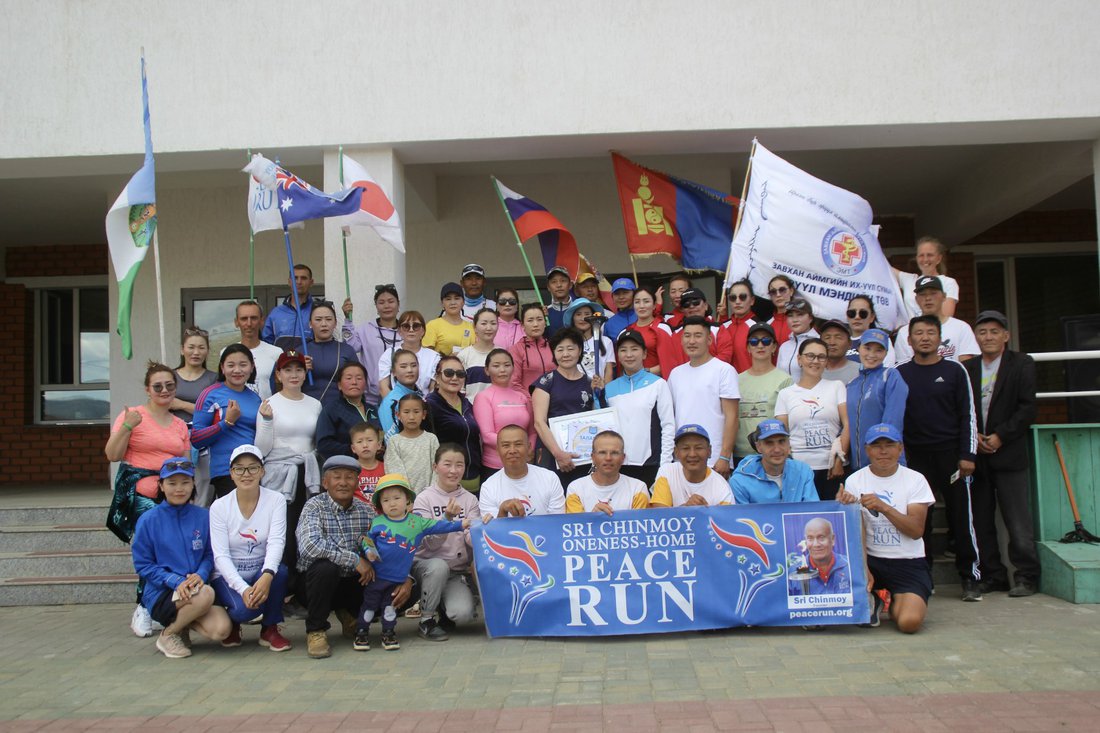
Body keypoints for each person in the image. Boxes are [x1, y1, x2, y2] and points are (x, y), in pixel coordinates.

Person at [896, 315, 982, 601]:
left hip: (951, 456)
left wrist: (968, 454)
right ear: (909, 340)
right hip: (915, 458)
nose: (924, 337)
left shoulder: (955, 370)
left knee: (961, 517)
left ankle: (970, 577)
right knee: (921, 520)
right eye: (918, 333)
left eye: (930, 332)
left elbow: (968, 415)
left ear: (939, 338)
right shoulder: (899, 372)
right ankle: (924, 577)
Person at [106, 361, 193, 638]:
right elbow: (112, 454)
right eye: (158, 386)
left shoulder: (179, 424)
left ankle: (157, 606)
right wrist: (127, 427)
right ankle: (143, 607)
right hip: (142, 497)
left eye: (169, 385)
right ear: (147, 389)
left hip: (171, 496)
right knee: (149, 552)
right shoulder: (133, 415)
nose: (164, 390)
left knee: (168, 552)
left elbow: (185, 464)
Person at [297, 456, 411, 659]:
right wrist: (354, 560)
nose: (343, 482)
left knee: (400, 584)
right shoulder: (313, 506)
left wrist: (406, 577)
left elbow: (387, 547)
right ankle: (316, 630)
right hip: (315, 586)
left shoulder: (366, 510)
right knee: (325, 568)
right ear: (325, 482)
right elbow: (310, 546)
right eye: (337, 477)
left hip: (354, 583)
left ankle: (352, 616)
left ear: (357, 483)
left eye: (349, 477)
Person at [964, 311, 1040, 597]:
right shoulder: (968, 367)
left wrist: (1000, 436)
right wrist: (975, 437)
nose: (988, 337)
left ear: (1006, 336)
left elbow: (1027, 408)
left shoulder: (1021, 363)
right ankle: (993, 575)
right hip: (977, 455)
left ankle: (1027, 576)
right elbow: (962, 408)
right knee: (981, 521)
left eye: (994, 331)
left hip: (1009, 453)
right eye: (983, 332)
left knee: (1017, 521)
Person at [356, 474, 472, 651]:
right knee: (369, 606)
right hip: (376, 577)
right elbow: (366, 540)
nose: (392, 503)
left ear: (408, 501)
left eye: (397, 498)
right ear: (380, 505)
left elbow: (439, 526)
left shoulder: (416, 522)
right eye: (386, 500)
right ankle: (361, 633)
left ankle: (388, 633)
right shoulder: (377, 522)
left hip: (397, 579)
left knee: (390, 607)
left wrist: (461, 524)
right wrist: (368, 551)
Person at [838, 424, 936, 633]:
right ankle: (876, 596)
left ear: (900, 449)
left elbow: (916, 531)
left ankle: (889, 599)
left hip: (908, 561)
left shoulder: (916, 480)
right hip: (872, 559)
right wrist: (863, 567)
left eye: (889, 445)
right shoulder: (855, 480)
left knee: (909, 623)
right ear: (867, 450)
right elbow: (856, 531)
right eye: (876, 446)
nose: (883, 451)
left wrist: (884, 507)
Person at [131, 458, 232, 658]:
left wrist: (201, 574)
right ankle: (168, 635)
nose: (179, 489)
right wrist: (175, 581)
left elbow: (210, 554)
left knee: (221, 630)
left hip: (196, 588)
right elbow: (143, 564)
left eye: (185, 482)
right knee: (206, 594)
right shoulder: (148, 520)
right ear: (161, 485)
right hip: (162, 592)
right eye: (172, 483)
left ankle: (181, 626)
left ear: (193, 484)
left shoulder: (203, 516)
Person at [208, 445, 291, 652]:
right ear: (231, 473)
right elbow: (220, 555)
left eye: (253, 467)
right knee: (245, 611)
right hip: (228, 576)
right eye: (239, 468)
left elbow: (276, 541)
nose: (246, 474)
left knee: (280, 572)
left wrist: (267, 574)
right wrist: (243, 589)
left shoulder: (276, 500)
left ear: (262, 471)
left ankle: (270, 628)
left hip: (259, 572)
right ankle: (233, 622)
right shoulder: (219, 506)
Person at [255, 350, 322, 591]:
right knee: (283, 530)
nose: (293, 375)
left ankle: (303, 588)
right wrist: (266, 421)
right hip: (280, 475)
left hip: (308, 474)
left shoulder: (315, 404)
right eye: (287, 370)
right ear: (278, 374)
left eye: (298, 369)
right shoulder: (269, 404)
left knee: (307, 529)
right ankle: (283, 588)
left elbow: (316, 442)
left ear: (305, 373)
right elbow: (261, 448)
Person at [411, 445, 485, 640]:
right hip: (426, 567)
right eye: (447, 464)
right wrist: (447, 520)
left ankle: (444, 607)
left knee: (462, 615)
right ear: (435, 467)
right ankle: (426, 621)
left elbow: (470, 538)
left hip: (455, 571)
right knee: (438, 566)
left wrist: (484, 531)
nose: (453, 470)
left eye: (459, 465)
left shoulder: (470, 500)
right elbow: (429, 544)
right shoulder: (423, 499)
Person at [774, 338, 849, 500]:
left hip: (831, 468)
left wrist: (839, 460)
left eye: (821, 357)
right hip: (798, 468)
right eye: (810, 356)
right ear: (799, 359)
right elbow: (782, 434)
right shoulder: (785, 394)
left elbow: (847, 424)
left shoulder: (837, 386)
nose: (815, 361)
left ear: (826, 361)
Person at [667, 316, 740, 478]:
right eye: (687, 336)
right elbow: (670, 418)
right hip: (682, 460)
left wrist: (724, 456)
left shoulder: (724, 370)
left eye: (698, 336)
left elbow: (732, 417)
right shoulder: (675, 374)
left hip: (714, 460)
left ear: (709, 340)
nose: (692, 341)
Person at [532, 327, 603, 487]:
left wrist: (600, 392)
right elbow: (539, 422)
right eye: (560, 350)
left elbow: (597, 419)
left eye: (571, 349)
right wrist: (558, 453)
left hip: (582, 454)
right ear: (554, 353)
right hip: (551, 453)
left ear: (580, 351)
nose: (565, 354)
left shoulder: (589, 382)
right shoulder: (546, 382)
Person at [604, 331, 674, 487]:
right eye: (623, 350)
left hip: (650, 465)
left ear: (644, 353)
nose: (629, 354)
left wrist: (665, 466)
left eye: (634, 349)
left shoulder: (658, 384)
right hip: (617, 466)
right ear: (618, 355)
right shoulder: (609, 389)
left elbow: (668, 426)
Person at [192, 345, 263, 500]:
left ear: (252, 368)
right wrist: (227, 422)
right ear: (222, 368)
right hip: (226, 471)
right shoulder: (210, 394)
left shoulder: (255, 398)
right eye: (231, 365)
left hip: (253, 469)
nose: (237, 370)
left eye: (243, 365)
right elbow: (196, 438)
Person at [846, 329, 908, 472]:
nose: (872, 354)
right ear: (858, 348)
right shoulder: (851, 384)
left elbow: (892, 423)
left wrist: (882, 454)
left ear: (886, 353)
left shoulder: (890, 376)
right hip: (857, 466)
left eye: (879, 350)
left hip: (885, 462)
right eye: (867, 348)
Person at [171, 327, 218, 506]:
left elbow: (214, 413)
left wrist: (181, 404)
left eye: (201, 347)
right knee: (176, 482)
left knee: (202, 486)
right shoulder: (170, 377)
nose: (196, 352)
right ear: (182, 349)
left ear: (207, 351)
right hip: (174, 438)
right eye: (191, 347)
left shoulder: (214, 379)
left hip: (202, 440)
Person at [733, 323, 792, 465]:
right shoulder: (735, 379)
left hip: (772, 454)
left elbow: (788, 422)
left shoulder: (785, 380)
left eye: (766, 341)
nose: (760, 345)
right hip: (740, 454)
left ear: (774, 347)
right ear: (748, 348)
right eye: (754, 341)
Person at [472, 349, 535, 482]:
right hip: (495, 466)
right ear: (487, 370)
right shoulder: (483, 397)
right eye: (496, 366)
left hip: (523, 464)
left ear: (513, 368)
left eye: (507, 365)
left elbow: (532, 431)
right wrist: (518, 446)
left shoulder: (522, 396)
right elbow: (487, 436)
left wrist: (528, 450)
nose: (502, 370)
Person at [479, 425, 566, 518]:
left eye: (518, 444)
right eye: (506, 445)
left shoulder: (550, 478)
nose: (512, 450)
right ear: (497, 450)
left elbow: (557, 522)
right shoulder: (488, 487)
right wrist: (502, 510)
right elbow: (492, 526)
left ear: (529, 447)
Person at [281, 301, 358, 402]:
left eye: (328, 319)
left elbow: (357, 381)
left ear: (335, 323)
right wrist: (300, 370)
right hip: (306, 407)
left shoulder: (347, 350)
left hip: (340, 407)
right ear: (310, 324)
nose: (324, 324)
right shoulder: (299, 352)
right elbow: (285, 385)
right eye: (318, 320)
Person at [426, 355, 483, 489]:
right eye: (449, 373)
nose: (455, 378)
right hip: (446, 483)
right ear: (437, 377)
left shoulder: (467, 403)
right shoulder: (429, 406)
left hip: (475, 479)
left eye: (460, 374)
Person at [893, 276, 979, 364]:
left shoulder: (961, 328)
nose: (928, 298)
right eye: (922, 294)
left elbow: (967, 366)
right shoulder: (905, 332)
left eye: (933, 293)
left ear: (944, 296)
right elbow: (903, 368)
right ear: (916, 299)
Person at [729, 420, 817, 504]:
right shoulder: (739, 481)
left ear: (789, 444)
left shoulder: (803, 471)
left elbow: (812, 509)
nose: (777, 450)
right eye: (769, 443)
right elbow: (741, 514)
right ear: (758, 447)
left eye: (781, 441)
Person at [341, 283, 401, 406]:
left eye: (391, 301)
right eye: (381, 302)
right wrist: (348, 320)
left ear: (398, 304)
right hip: (370, 397)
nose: (386, 306)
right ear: (376, 306)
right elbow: (350, 347)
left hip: (400, 394)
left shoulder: (406, 330)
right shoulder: (365, 329)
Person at [649, 425, 735, 507]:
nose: (692, 454)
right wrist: (687, 509)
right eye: (685, 448)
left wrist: (704, 512)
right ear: (676, 452)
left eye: (698, 448)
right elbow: (659, 513)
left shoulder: (722, 487)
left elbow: (726, 517)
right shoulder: (667, 472)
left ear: (709, 451)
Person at [565, 431, 650, 513]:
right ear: (593, 457)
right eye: (602, 452)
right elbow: (575, 522)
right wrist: (593, 517)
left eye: (614, 453)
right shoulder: (576, 488)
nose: (608, 458)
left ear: (623, 458)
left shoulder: (638, 489)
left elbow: (640, 522)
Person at [315, 362, 381, 461]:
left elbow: (381, 435)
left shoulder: (373, 409)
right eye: (349, 378)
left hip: (374, 465)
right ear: (339, 385)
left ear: (366, 384)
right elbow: (324, 445)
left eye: (359, 378)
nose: (354, 382)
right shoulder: (331, 410)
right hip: (346, 465)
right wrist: (355, 450)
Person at [895, 236, 960, 319]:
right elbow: (883, 266)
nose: (925, 259)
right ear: (916, 258)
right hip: (911, 327)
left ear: (939, 258)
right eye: (921, 255)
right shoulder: (908, 280)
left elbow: (945, 317)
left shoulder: (949, 282)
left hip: (936, 327)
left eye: (930, 255)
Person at [378, 310, 439, 397]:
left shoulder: (434, 356)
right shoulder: (389, 354)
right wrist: (396, 404)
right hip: (395, 402)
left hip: (425, 403)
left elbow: (433, 389)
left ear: (423, 331)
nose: (411, 330)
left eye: (416, 326)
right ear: (399, 331)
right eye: (406, 326)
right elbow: (383, 387)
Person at [233, 300, 284, 401]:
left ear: (262, 321)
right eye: (244, 319)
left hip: (268, 409)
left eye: (254, 318)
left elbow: (283, 388)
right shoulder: (227, 353)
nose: (249, 323)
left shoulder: (276, 353)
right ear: (236, 322)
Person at [788, 517, 852, 596]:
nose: (816, 544)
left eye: (821, 538)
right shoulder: (792, 573)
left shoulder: (850, 566)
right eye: (810, 538)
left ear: (832, 539)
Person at [669, 288, 734, 365]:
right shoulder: (675, 334)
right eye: (686, 304)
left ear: (705, 306)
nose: (691, 306)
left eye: (696, 302)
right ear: (682, 310)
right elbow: (672, 362)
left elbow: (725, 355)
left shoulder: (718, 329)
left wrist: (702, 369)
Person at [625, 286, 678, 377]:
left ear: (654, 305)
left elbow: (670, 362)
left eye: (646, 301)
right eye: (637, 302)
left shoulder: (662, 328)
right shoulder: (628, 330)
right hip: (632, 382)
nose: (641, 306)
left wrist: (645, 372)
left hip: (657, 381)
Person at [262, 263, 316, 347]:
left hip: (310, 356)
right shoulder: (276, 313)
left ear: (311, 282)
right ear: (289, 282)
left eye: (303, 278)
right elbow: (266, 344)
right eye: (295, 278)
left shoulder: (316, 311)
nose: (299, 282)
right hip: (282, 356)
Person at [564, 297, 615, 383]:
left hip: (600, 389)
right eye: (578, 314)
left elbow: (608, 372)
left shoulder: (606, 342)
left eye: (587, 314)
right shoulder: (567, 343)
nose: (583, 318)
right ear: (573, 318)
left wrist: (605, 388)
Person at [378, 350, 424, 439]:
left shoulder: (421, 396)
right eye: (403, 366)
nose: (410, 370)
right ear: (394, 372)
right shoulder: (392, 401)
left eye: (414, 365)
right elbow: (391, 440)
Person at [509, 303, 554, 394]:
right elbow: (514, 383)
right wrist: (532, 400)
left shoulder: (554, 347)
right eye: (530, 320)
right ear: (522, 325)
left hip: (555, 400)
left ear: (545, 323)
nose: (535, 324)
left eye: (539, 319)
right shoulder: (516, 350)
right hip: (528, 400)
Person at [456, 307, 498, 399]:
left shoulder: (502, 354)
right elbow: (459, 389)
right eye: (484, 323)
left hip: (497, 405)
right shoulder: (464, 356)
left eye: (493, 323)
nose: (489, 328)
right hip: (471, 405)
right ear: (475, 327)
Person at [845, 295, 896, 367]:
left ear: (872, 317)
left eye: (863, 313)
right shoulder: (840, 341)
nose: (857, 317)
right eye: (852, 313)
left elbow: (886, 368)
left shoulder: (882, 339)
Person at [424, 282, 474, 357]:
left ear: (463, 302)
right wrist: (449, 359)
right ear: (442, 303)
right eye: (448, 299)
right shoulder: (432, 325)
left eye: (457, 298)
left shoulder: (471, 326)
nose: (453, 302)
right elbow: (427, 356)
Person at [776, 298, 819, 380]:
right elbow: (777, 377)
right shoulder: (784, 347)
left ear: (810, 318)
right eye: (790, 316)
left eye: (800, 315)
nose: (795, 320)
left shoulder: (820, 343)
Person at [722, 279, 759, 373]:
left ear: (752, 300)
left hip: (752, 380)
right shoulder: (723, 327)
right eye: (733, 297)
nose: (737, 301)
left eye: (742, 297)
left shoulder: (758, 328)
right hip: (726, 381)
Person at [350, 422, 386, 507]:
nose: (365, 445)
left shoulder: (387, 468)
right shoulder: (350, 470)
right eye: (359, 441)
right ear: (353, 448)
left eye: (370, 440)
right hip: (358, 513)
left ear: (379, 445)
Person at [820, 320, 859, 384]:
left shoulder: (860, 372)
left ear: (850, 343)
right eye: (827, 338)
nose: (832, 343)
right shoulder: (811, 370)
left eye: (838, 337)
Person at [766, 275, 797, 346]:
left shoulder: (802, 322)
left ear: (791, 291)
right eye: (773, 292)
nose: (778, 295)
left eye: (782, 290)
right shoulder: (767, 325)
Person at [544, 266, 574, 336]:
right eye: (554, 282)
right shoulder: (544, 313)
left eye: (563, 281)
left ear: (570, 285)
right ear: (548, 287)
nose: (559, 285)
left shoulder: (578, 310)